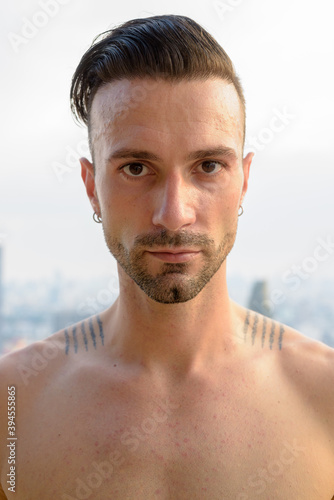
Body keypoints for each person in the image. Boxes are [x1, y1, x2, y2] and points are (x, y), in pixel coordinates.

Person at [0, 14, 333, 500]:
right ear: (92, 188)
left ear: (243, 179)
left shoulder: (325, 396)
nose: (174, 214)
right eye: (137, 167)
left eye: (208, 166)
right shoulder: (13, 405)